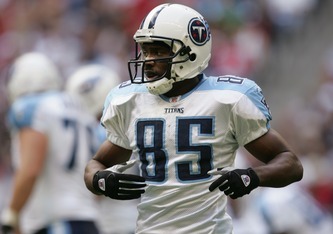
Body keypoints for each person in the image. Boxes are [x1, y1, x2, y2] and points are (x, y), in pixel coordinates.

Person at [83, 3, 304, 234]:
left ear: (190, 50)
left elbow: (291, 164)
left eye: (158, 51)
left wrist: (252, 177)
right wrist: (101, 180)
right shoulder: (130, 101)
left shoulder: (226, 99)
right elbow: (94, 165)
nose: (148, 60)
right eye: (145, 50)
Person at [1, 52, 100, 234]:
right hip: (88, 220)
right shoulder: (80, 108)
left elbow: (30, 169)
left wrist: (12, 214)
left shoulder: (31, 107)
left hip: (56, 222)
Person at [66, 63, 138, 234]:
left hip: (110, 223)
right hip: (126, 219)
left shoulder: (103, 131)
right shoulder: (125, 123)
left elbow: (95, 191)